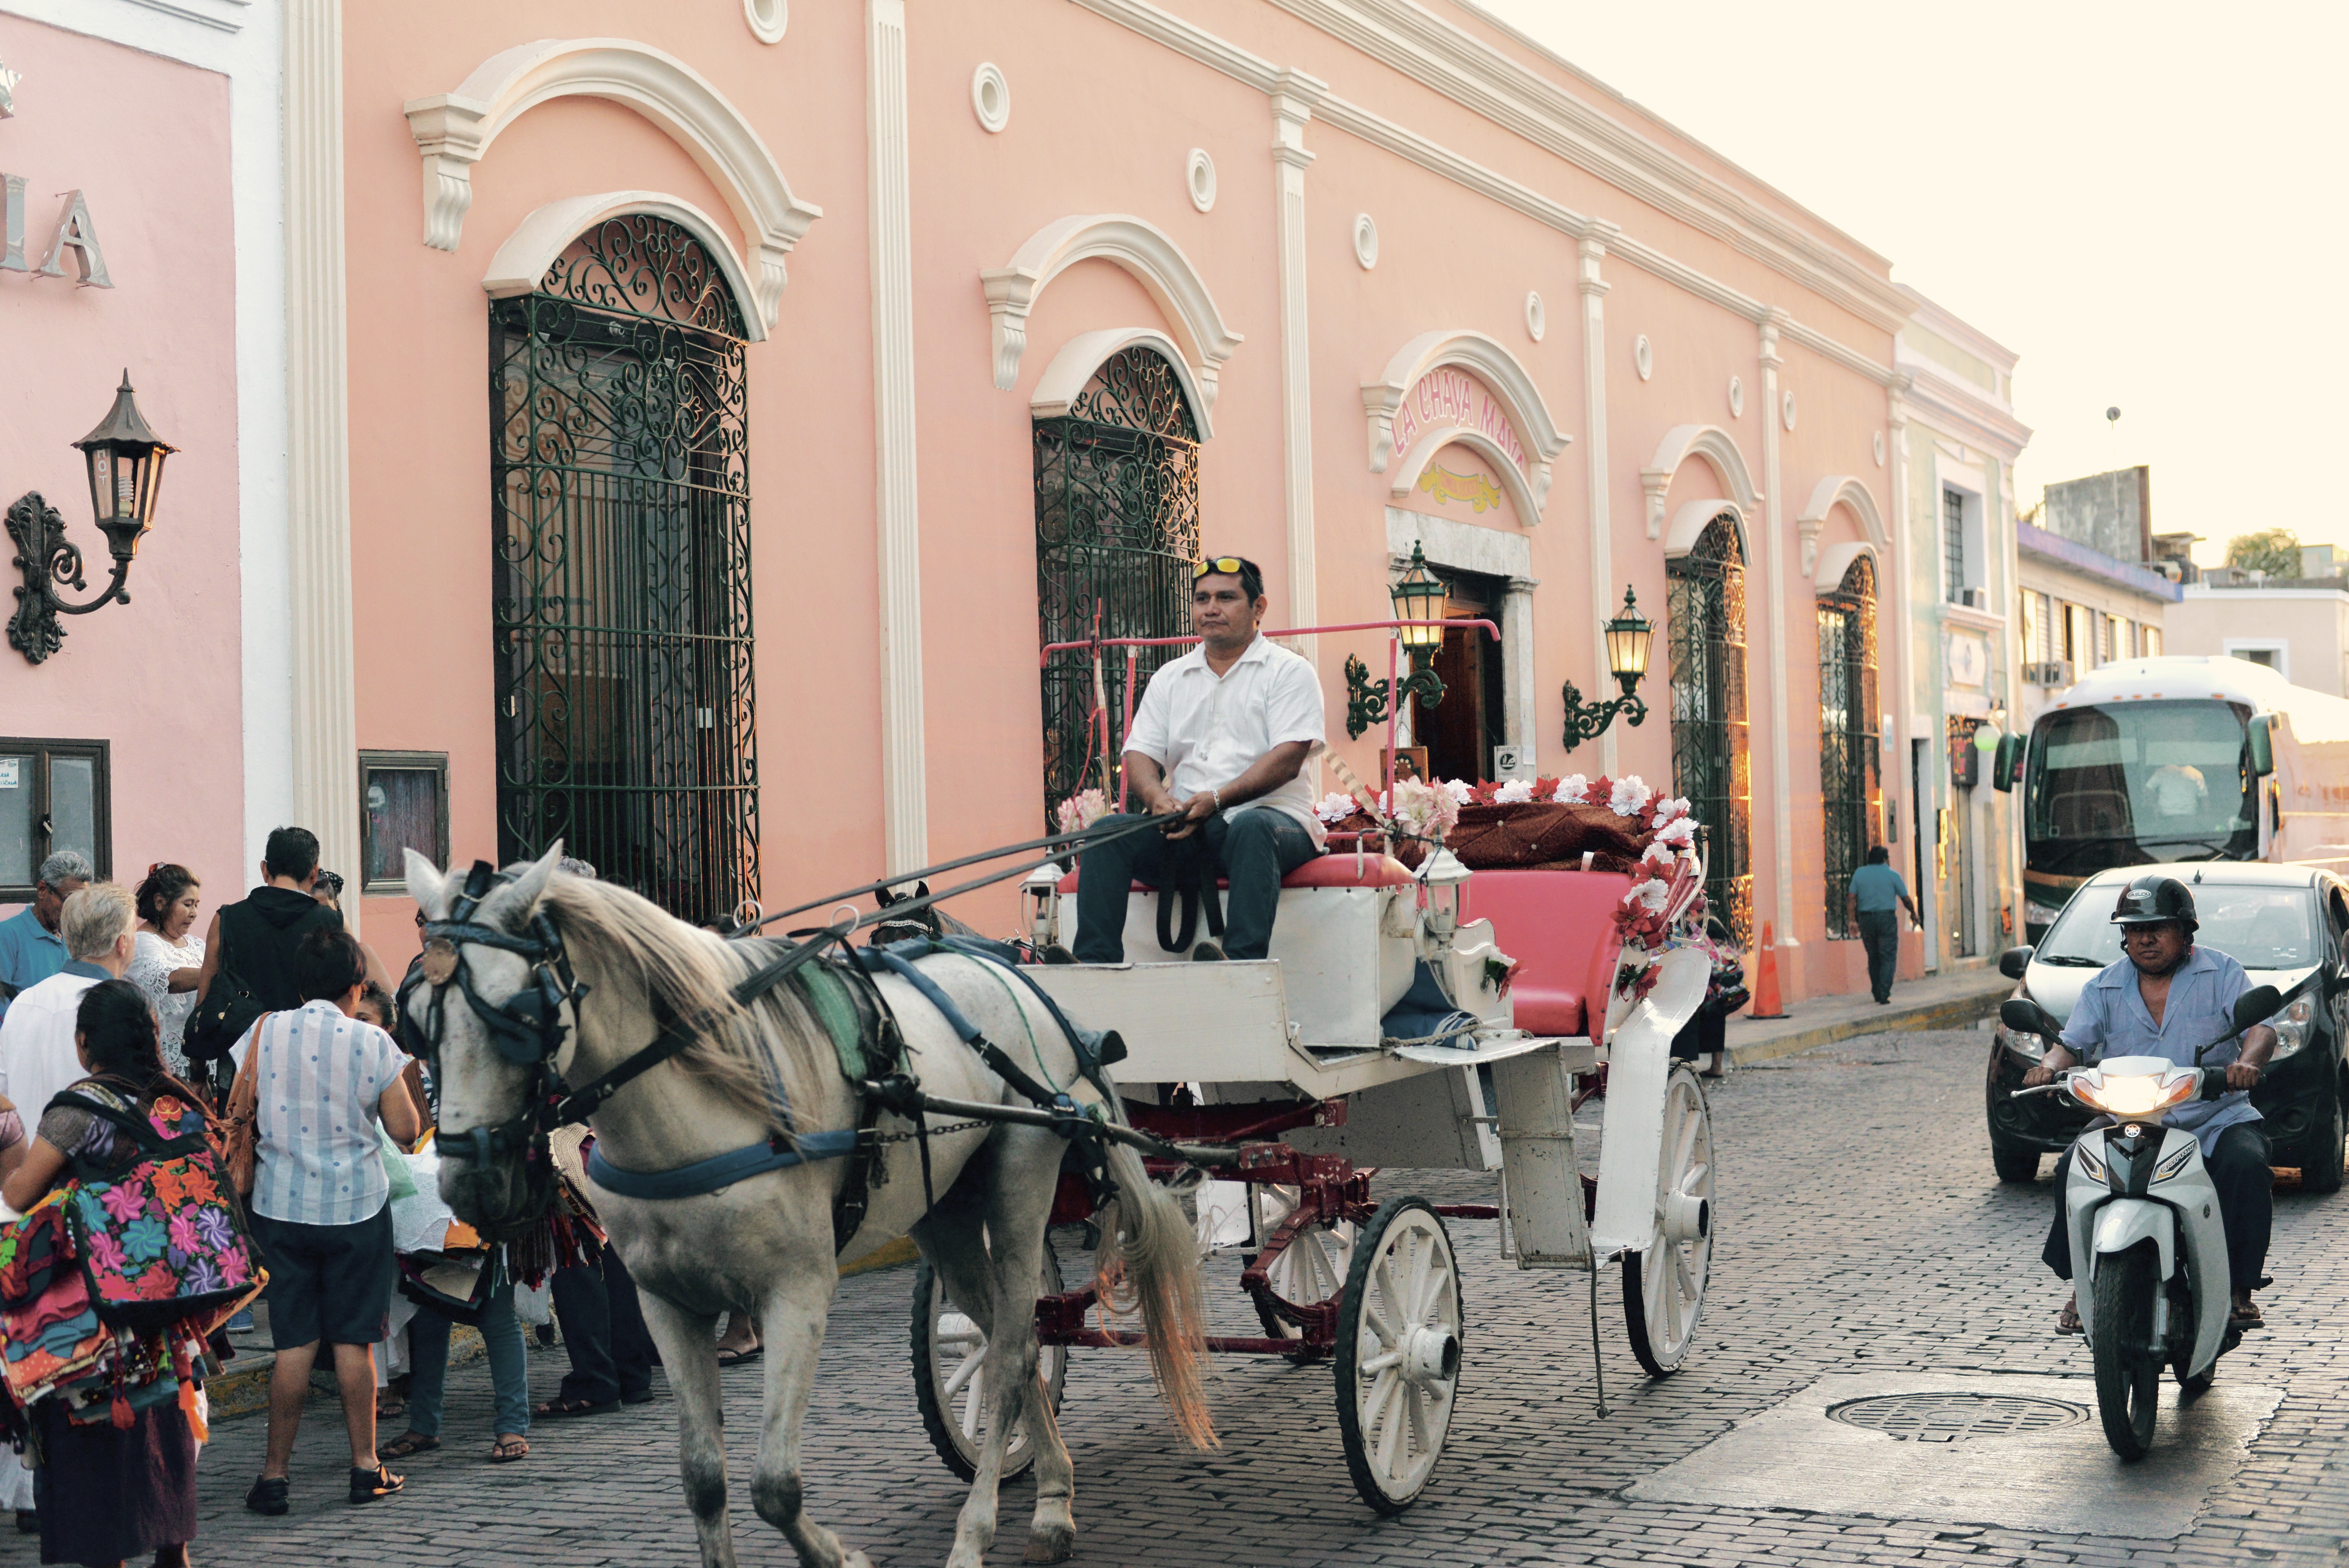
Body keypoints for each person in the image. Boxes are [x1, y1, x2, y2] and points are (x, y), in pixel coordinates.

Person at [0, 979, 201, 1567]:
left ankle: (105, 1551)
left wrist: (9, 1141)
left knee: (91, 1436)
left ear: (85, 1043)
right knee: (164, 1419)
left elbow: (21, 1192)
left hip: (93, 1306)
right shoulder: (174, 1101)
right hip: (166, 1298)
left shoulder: (78, 1109)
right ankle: (173, 1547)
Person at [2022, 875, 2278, 1333]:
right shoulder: (2103, 986)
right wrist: (2047, 1066)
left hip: (2214, 1117)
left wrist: (2246, 1063)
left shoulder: (2221, 972)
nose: (2145, 938)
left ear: (2185, 930)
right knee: (2072, 1166)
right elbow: (2071, 1045)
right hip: (2130, 1115)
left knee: (2246, 1163)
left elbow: (2261, 1029)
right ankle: (2084, 1283)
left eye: (2157, 927)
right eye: (2134, 929)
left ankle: (2240, 1287)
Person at [240, 928, 422, 1514]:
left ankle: (273, 1475)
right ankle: (366, 1465)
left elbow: (242, 1106)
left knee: (293, 1343)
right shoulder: (372, 1042)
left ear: (299, 985)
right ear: (357, 986)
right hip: (356, 1209)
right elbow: (406, 1129)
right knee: (354, 1340)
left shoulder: (264, 1030)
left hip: (280, 1206)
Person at [1066, 554, 1325, 964]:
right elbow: (1139, 752)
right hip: (1189, 827)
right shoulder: (1170, 677)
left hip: (1273, 826)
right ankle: (1095, 966)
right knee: (1107, 832)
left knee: (1253, 826)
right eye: (1202, 599)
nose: (1211, 608)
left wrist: (1218, 800)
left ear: (1258, 608)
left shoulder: (1290, 671)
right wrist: (1157, 799)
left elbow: (1288, 758)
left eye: (1226, 598)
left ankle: (1240, 965)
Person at [0, 883, 139, 1134]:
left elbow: (3, 1095)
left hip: (25, 1153)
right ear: (123, 943)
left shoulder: (24, 1001)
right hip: (91, 1155)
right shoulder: (123, 1009)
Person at [128, 863, 205, 1080]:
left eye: (196, 905)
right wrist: (218, 972)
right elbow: (168, 979)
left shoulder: (197, 945)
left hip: (201, 1064)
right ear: (160, 902)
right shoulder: (143, 942)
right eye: (188, 905)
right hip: (164, 1068)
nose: (194, 913)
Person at [0, 850, 91, 1019]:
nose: (76, 910)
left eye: (83, 902)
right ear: (42, 889)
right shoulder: (7, 937)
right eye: (70, 900)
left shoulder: (78, 937)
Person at [1844, 846, 1921, 1006]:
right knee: (1888, 956)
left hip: (1866, 920)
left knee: (1873, 956)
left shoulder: (1860, 874)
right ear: (1885, 859)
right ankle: (1884, 991)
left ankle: (1877, 991)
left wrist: (1852, 920)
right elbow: (1906, 899)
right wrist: (1913, 913)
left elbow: (1851, 898)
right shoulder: (1892, 875)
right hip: (1886, 919)